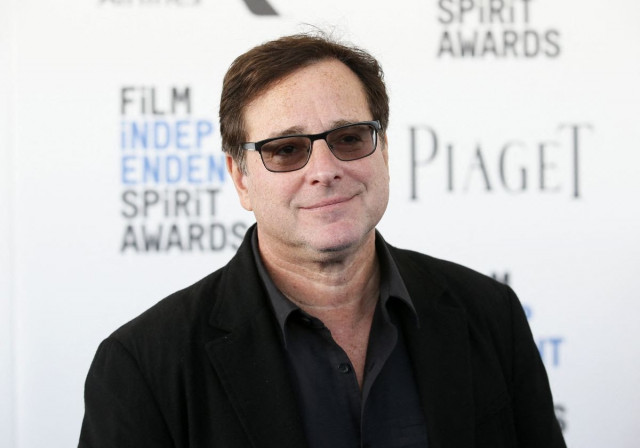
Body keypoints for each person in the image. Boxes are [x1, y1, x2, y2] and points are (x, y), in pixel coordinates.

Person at [79, 33, 566, 448]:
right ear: (241, 178)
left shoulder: (490, 314)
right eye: (286, 150)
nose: (325, 170)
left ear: (384, 153)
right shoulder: (144, 365)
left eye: (349, 138)